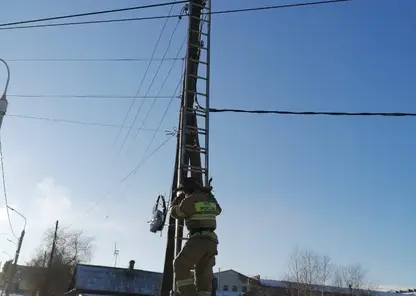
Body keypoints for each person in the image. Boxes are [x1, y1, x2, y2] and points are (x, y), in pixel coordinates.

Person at [170, 177, 222, 296]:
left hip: (198, 239)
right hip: (212, 242)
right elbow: (218, 210)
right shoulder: (210, 199)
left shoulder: (190, 200)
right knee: (203, 277)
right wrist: (209, 194)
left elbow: (176, 213)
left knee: (180, 265)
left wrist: (175, 202)